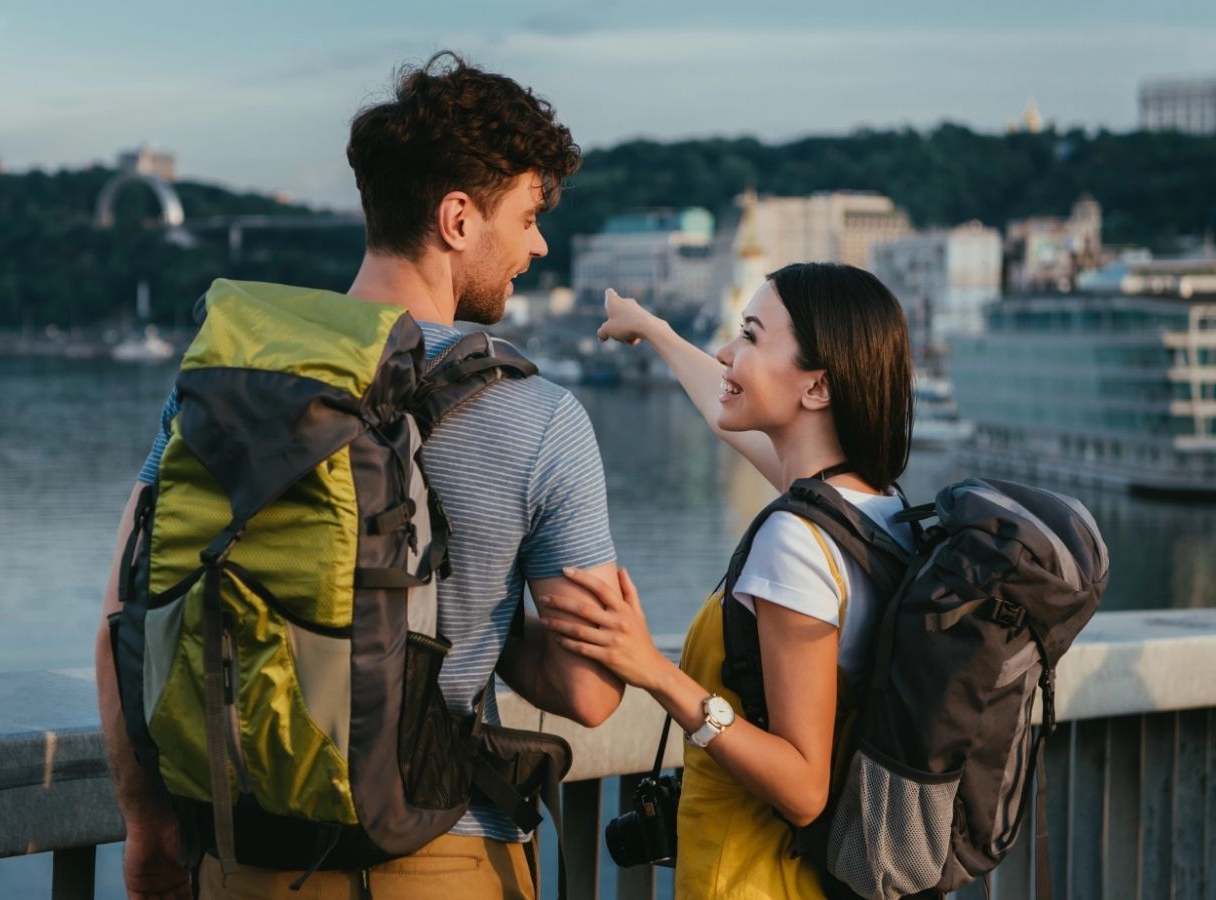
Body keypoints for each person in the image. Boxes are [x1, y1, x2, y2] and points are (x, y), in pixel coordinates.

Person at [94, 52, 626, 900]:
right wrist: (484, 618)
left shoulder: (236, 378)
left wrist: (149, 824)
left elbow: (127, 613)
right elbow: (590, 694)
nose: (539, 243)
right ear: (458, 218)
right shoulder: (541, 417)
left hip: (243, 856)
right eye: (528, 215)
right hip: (441, 856)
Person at [540, 264, 917, 899]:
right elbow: (722, 406)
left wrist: (654, 672)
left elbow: (802, 788)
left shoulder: (796, 541)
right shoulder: (874, 513)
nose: (726, 353)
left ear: (817, 386)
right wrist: (653, 330)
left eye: (748, 336)